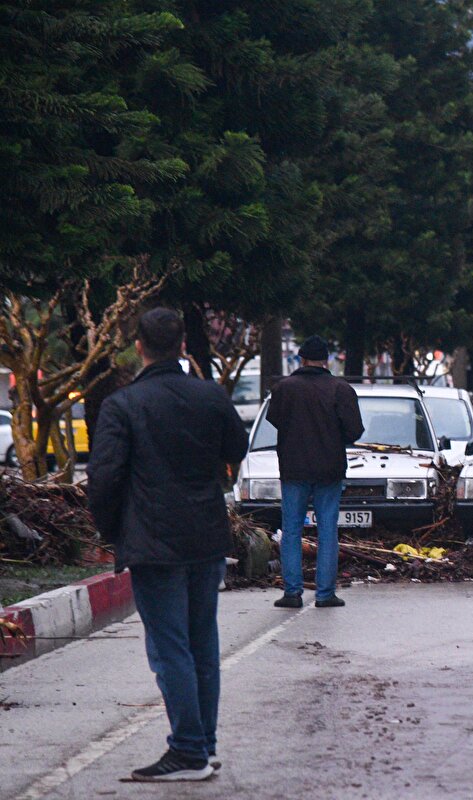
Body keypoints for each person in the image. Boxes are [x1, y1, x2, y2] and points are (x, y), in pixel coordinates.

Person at [88, 308, 248, 781]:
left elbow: (104, 477)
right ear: (182, 345)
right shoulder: (210, 396)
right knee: (202, 642)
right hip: (205, 535)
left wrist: (109, 530)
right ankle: (204, 745)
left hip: (153, 539)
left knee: (170, 647)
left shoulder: (123, 405)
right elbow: (237, 449)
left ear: (139, 346)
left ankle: (187, 751)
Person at [267, 335, 363, 609]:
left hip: (293, 468)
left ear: (301, 359)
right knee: (327, 531)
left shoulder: (284, 388)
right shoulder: (340, 389)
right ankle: (325, 593)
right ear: (327, 361)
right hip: (329, 470)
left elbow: (275, 419)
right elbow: (354, 431)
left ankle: (292, 592)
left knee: (291, 530)